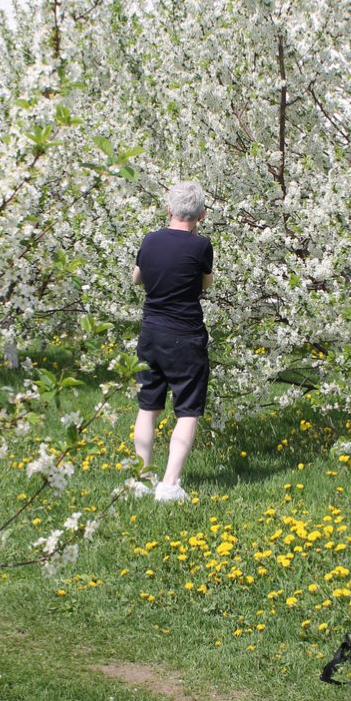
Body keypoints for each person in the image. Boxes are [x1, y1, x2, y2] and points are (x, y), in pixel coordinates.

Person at [130, 181, 213, 502]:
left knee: (147, 406)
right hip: (186, 337)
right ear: (201, 215)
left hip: (151, 333)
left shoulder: (150, 240)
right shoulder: (201, 246)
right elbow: (205, 285)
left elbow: (137, 278)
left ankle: (140, 478)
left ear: (169, 210)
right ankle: (169, 485)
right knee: (187, 410)